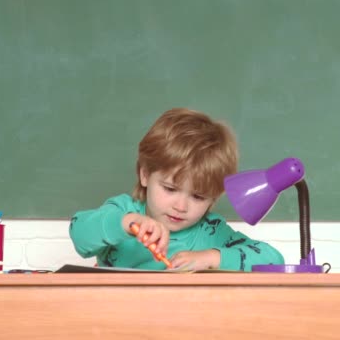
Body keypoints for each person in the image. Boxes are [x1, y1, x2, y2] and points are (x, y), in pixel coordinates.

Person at [69, 108, 284, 271]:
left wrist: (210, 258)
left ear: (214, 197)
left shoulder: (211, 231)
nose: (180, 206)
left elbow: (274, 260)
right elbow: (79, 232)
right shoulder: (123, 211)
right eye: (170, 189)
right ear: (145, 175)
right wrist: (127, 223)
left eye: (198, 196)